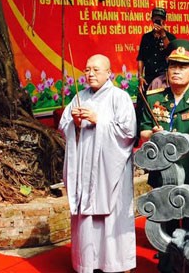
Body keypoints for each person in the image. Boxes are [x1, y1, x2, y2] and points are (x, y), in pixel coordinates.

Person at [59, 54, 136, 273]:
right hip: (84, 167)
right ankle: (88, 262)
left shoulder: (119, 97)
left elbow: (128, 132)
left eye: (96, 70)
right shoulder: (79, 97)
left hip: (109, 170)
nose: (90, 74)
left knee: (112, 216)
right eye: (87, 69)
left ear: (108, 73)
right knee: (86, 218)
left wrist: (98, 120)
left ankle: (117, 263)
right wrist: (74, 122)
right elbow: (64, 126)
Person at [139, 39, 189, 195]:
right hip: (161, 169)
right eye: (172, 66)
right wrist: (154, 135)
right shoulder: (154, 98)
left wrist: (177, 139)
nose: (176, 71)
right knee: (163, 216)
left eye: (182, 67)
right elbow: (143, 132)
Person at [137, 7, 176, 88]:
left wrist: (162, 34)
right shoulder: (146, 37)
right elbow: (141, 58)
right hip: (149, 76)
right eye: (156, 19)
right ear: (152, 20)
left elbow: (171, 52)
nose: (158, 21)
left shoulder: (170, 37)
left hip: (164, 77)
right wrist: (140, 76)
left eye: (160, 19)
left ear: (164, 21)